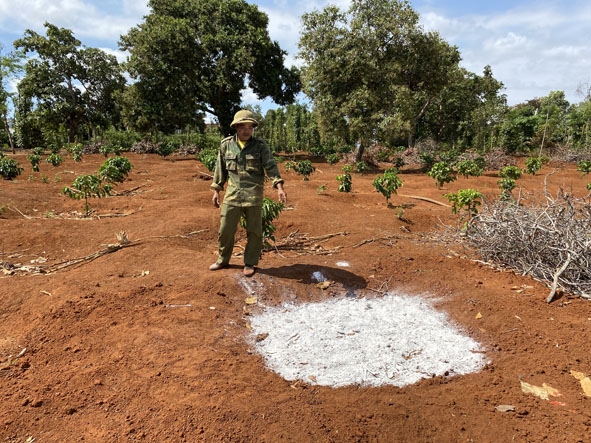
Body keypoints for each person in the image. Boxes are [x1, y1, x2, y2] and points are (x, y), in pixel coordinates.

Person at [209, 109, 287, 276]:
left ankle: (250, 263)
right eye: (242, 126)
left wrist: (279, 187)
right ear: (236, 127)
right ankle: (223, 259)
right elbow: (220, 169)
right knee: (225, 229)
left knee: (254, 231)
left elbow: (271, 167)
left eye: (250, 126)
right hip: (232, 195)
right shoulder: (226, 145)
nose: (246, 130)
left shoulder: (260, 146)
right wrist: (216, 190)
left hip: (254, 196)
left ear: (253, 128)